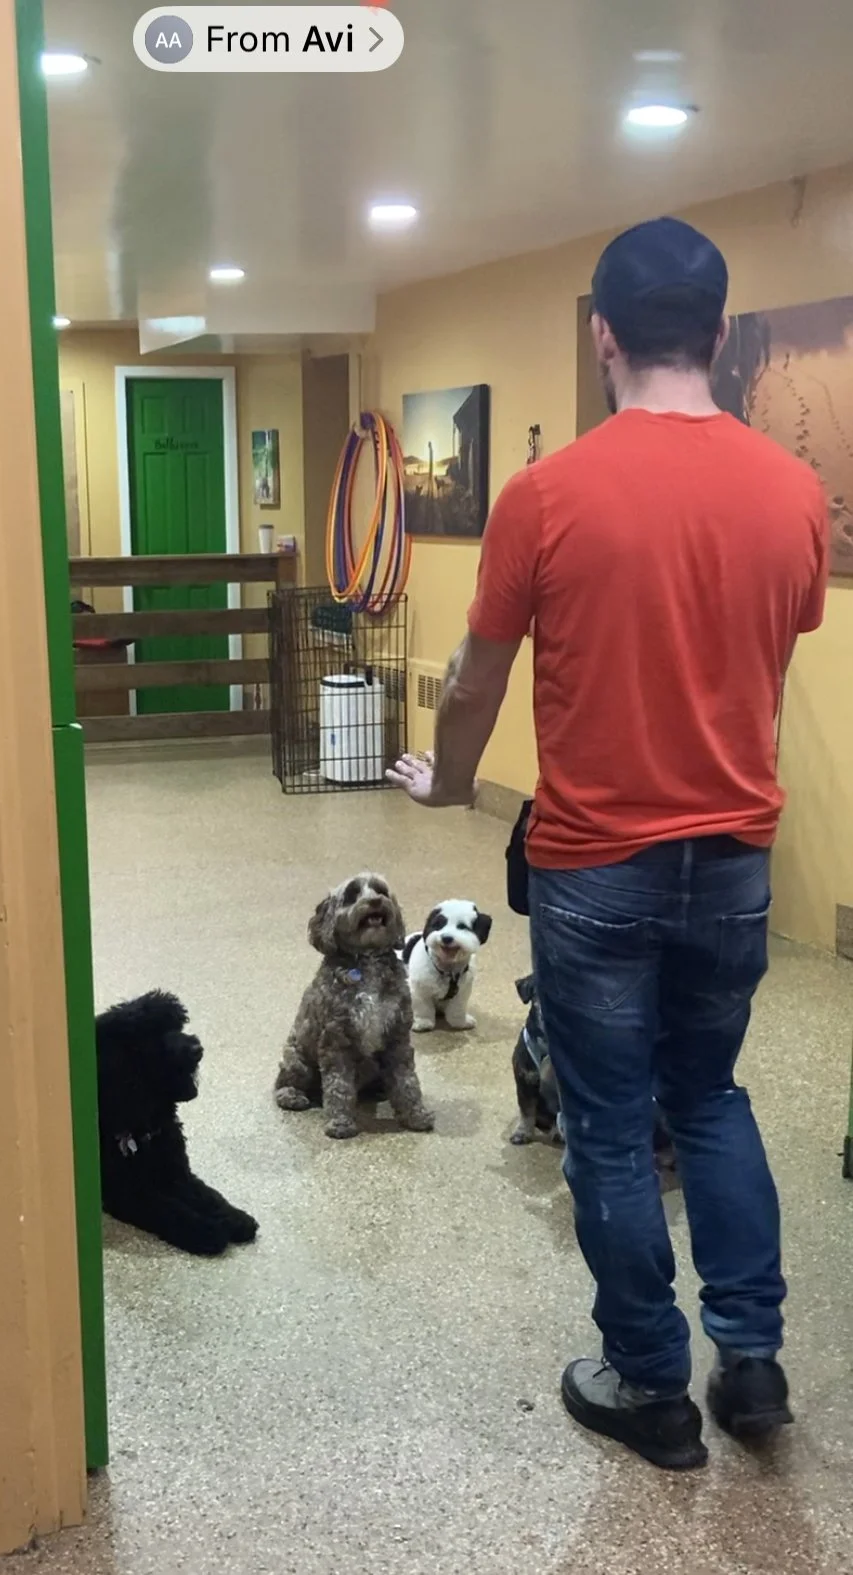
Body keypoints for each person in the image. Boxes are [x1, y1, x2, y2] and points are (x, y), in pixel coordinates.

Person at [388, 216, 829, 1471]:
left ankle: (646, 1383)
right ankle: (749, 1359)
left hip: (595, 864)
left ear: (602, 337)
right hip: (735, 856)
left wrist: (446, 787)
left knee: (607, 1119)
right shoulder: (793, 491)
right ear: (727, 335)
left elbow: (476, 676)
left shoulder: (546, 494)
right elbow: (769, 640)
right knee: (711, 1095)